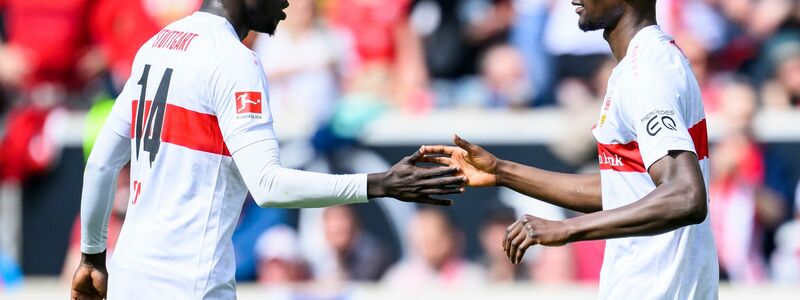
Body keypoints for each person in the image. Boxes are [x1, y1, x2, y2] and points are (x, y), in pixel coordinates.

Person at [70, 0, 466, 299]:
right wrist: (381, 183)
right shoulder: (235, 61)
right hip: (188, 285)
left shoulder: (155, 46)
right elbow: (268, 186)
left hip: (127, 278)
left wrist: (91, 257)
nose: (287, 3)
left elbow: (101, 164)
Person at [422, 0, 718, 298]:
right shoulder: (645, 63)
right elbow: (627, 190)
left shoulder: (646, 74)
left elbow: (685, 196)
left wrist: (566, 229)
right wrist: (501, 171)